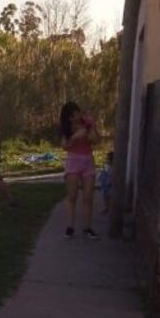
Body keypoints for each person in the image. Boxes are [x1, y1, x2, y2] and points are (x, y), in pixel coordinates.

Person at [60, 101, 99, 239]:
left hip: (88, 160)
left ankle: (87, 228)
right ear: (68, 118)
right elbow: (65, 146)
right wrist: (75, 137)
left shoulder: (87, 123)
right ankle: (70, 227)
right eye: (73, 115)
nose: (76, 117)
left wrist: (90, 128)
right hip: (73, 161)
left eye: (77, 113)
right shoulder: (67, 128)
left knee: (88, 197)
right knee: (72, 196)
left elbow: (94, 140)